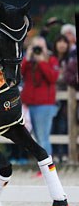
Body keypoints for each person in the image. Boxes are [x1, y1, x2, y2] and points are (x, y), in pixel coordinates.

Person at [21, 36, 59, 156]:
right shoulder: (28, 62)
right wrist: (27, 57)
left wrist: (42, 61)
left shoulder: (51, 60)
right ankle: (44, 167)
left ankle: (48, 168)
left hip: (44, 105)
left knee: (43, 138)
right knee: (36, 138)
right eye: (35, 47)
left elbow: (52, 78)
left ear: (45, 47)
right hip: (28, 103)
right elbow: (19, 74)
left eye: (40, 47)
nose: (38, 50)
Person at [51, 35, 70, 163]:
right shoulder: (51, 58)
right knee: (52, 126)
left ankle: (64, 153)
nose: (62, 44)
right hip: (51, 98)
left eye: (65, 42)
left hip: (66, 99)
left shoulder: (70, 59)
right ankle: (54, 154)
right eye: (60, 41)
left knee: (63, 126)